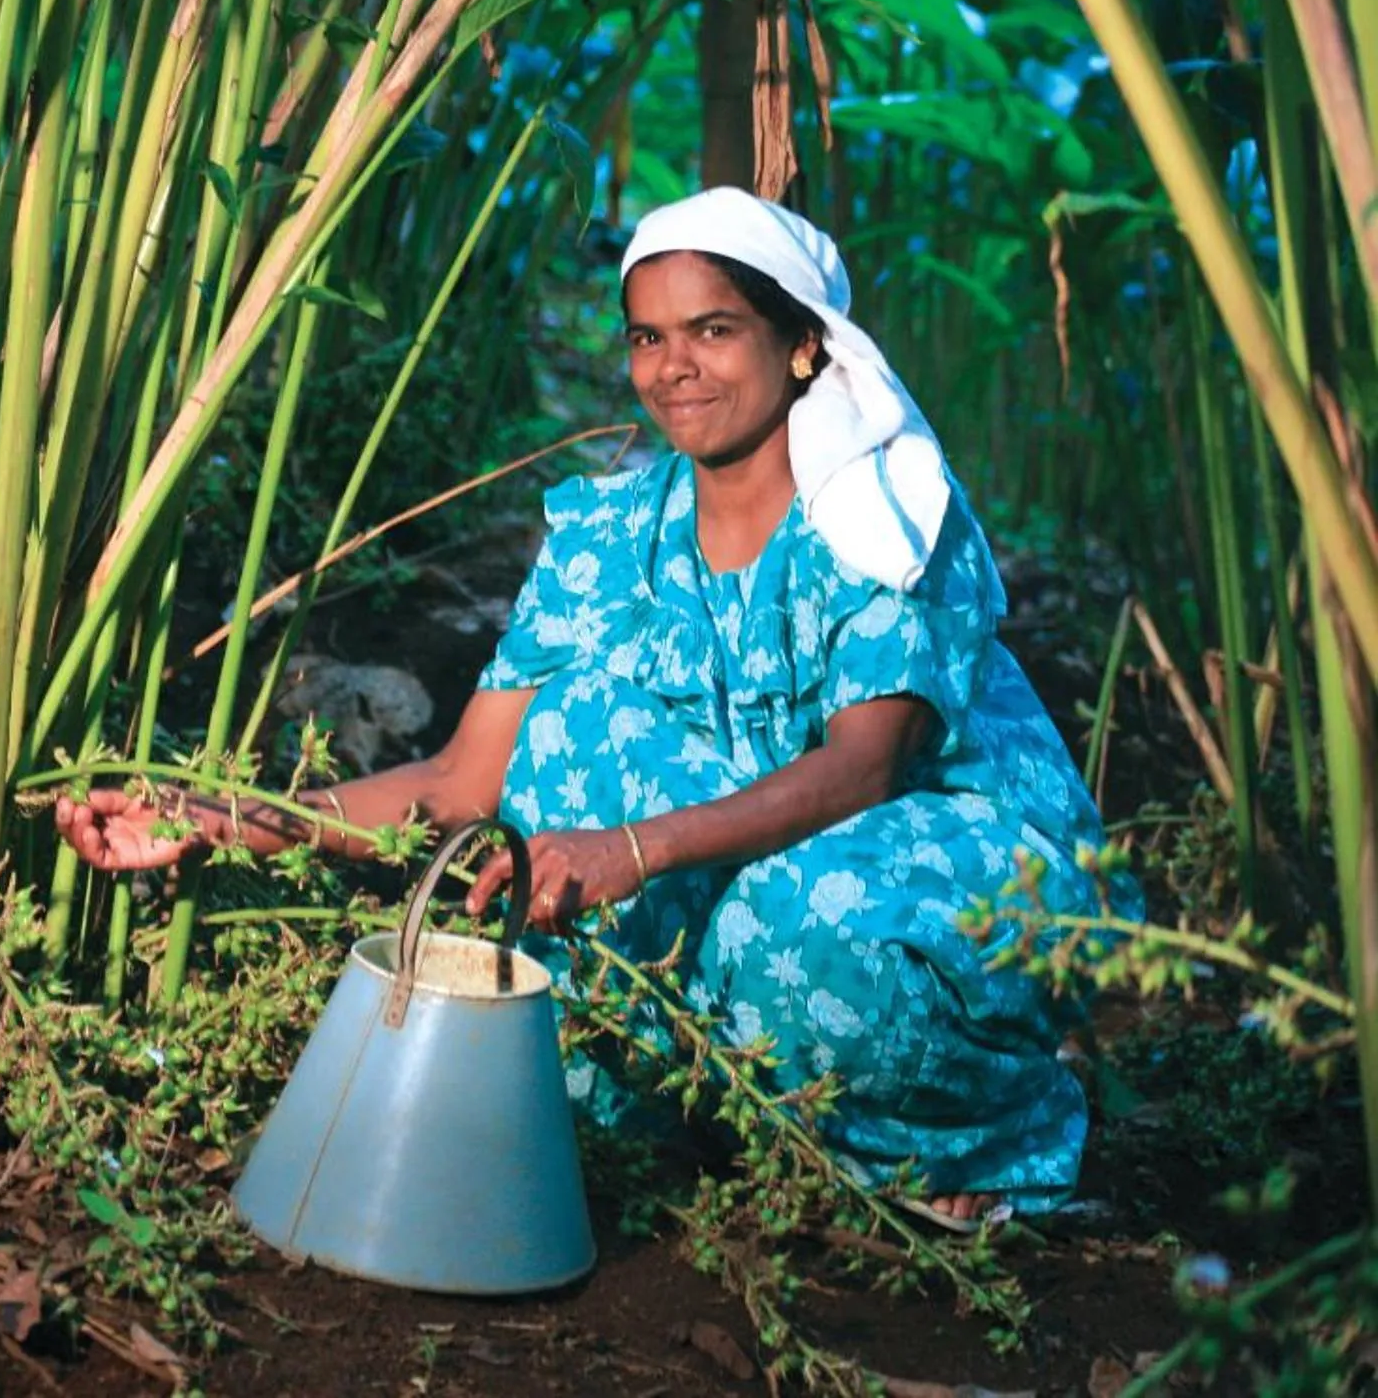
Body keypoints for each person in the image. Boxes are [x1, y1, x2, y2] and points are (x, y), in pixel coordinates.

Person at [59, 187, 1134, 1224]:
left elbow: (865, 766)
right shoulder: (607, 536)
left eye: (711, 329)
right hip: (742, 855)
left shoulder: (884, 516)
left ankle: (990, 1134)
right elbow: (455, 782)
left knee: (799, 928)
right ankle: (738, 1117)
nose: (672, 368)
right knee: (572, 739)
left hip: (953, 856)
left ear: (801, 342)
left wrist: (629, 846)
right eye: (645, 338)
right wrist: (235, 818)